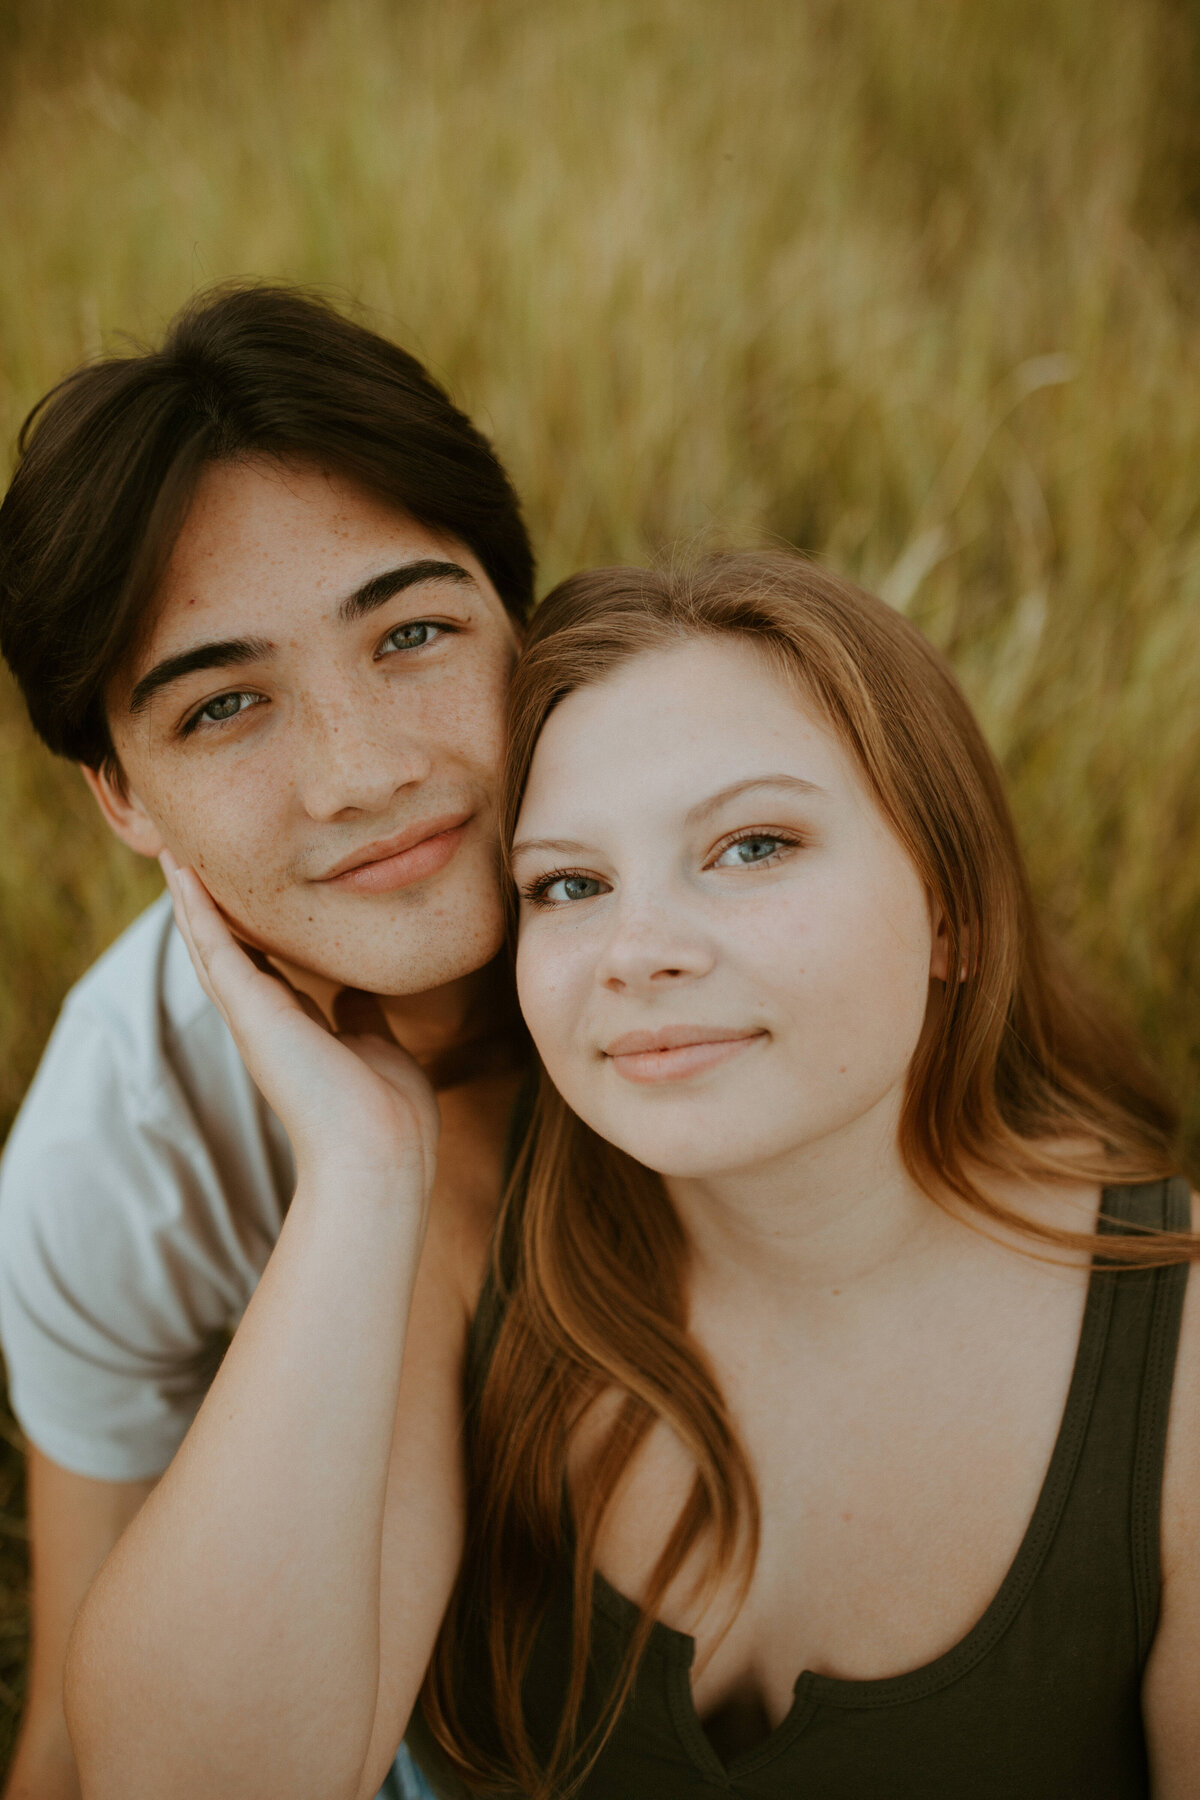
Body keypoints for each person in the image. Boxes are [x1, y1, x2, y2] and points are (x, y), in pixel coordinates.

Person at [65, 553, 1200, 1798]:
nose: (638, 951)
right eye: (569, 884)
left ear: (954, 914)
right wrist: (363, 1166)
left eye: (753, 846)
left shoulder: (1174, 1360)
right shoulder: (463, 1232)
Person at [0, 283, 537, 1800]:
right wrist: (368, 1170)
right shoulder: (120, 1146)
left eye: (415, 632)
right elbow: (82, 1742)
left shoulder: (722, 915)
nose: (365, 773)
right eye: (226, 706)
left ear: (524, 618)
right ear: (120, 797)